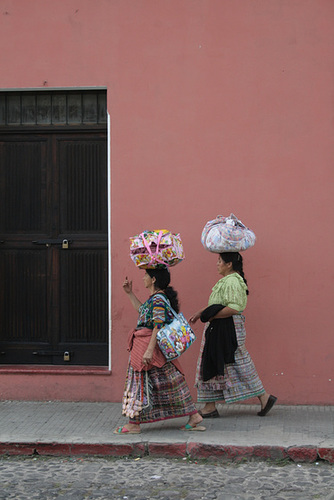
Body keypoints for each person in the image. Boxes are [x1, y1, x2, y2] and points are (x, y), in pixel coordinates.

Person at [114, 266, 205, 434]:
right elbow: (142, 312)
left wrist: (149, 350)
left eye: (146, 275)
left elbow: (158, 324)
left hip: (149, 345)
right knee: (169, 380)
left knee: (142, 381)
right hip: (148, 344)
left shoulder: (158, 299)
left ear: (153, 279)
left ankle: (134, 423)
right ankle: (194, 416)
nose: (143, 279)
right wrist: (129, 293)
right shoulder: (156, 299)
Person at [189, 252, 277, 418]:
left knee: (236, 364)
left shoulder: (232, 281)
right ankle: (210, 405)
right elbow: (218, 305)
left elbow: (234, 308)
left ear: (229, 264)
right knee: (216, 362)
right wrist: (201, 313)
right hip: (221, 328)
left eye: (220, 261)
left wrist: (211, 316)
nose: (217, 264)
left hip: (226, 329)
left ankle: (263, 397)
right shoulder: (228, 280)